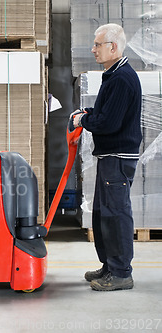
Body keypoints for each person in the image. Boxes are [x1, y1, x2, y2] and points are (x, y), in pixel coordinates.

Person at [71, 23, 142, 291]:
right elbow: (106, 112)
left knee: (116, 214)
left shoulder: (122, 78)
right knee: (103, 213)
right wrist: (85, 114)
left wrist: (83, 121)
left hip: (118, 156)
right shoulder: (113, 76)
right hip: (109, 156)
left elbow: (108, 123)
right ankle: (110, 266)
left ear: (112, 47)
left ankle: (122, 273)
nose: (93, 49)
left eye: (97, 44)